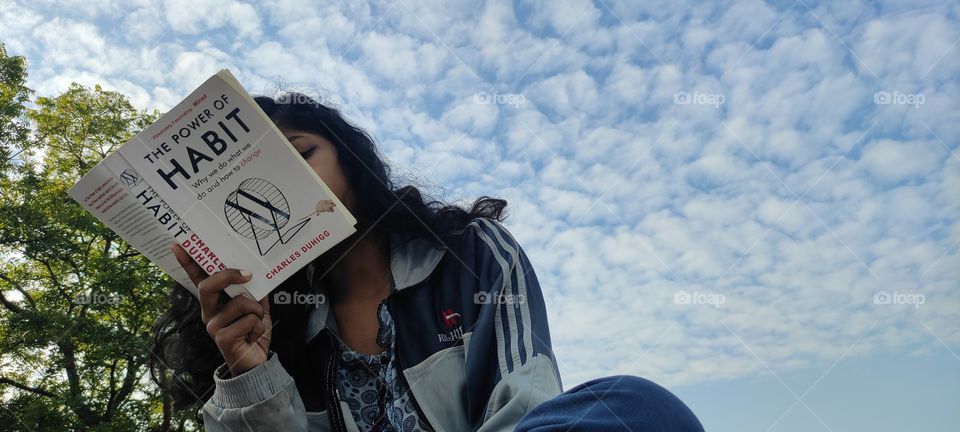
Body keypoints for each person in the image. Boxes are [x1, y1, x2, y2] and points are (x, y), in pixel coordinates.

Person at [150, 94, 704, 431]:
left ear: (353, 160)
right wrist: (253, 376)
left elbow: (524, 393)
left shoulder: (471, 252)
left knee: (633, 405)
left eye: (301, 154)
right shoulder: (277, 321)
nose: (285, 187)